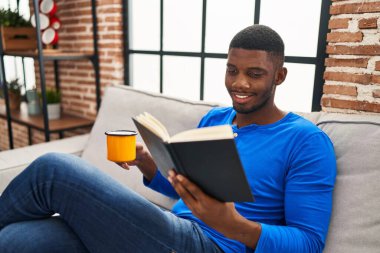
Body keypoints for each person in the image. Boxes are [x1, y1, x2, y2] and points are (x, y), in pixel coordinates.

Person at [0, 24, 336, 253]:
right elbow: (187, 189)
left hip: (211, 245)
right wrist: (148, 165)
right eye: (232, 70)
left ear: (280, 75)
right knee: (16, 240)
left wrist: (235, 226)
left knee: (55, 170)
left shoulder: (305, 141)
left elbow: (309, 242)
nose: (240, 83)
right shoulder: (215, 119)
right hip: (169, 229)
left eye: (255, 74)